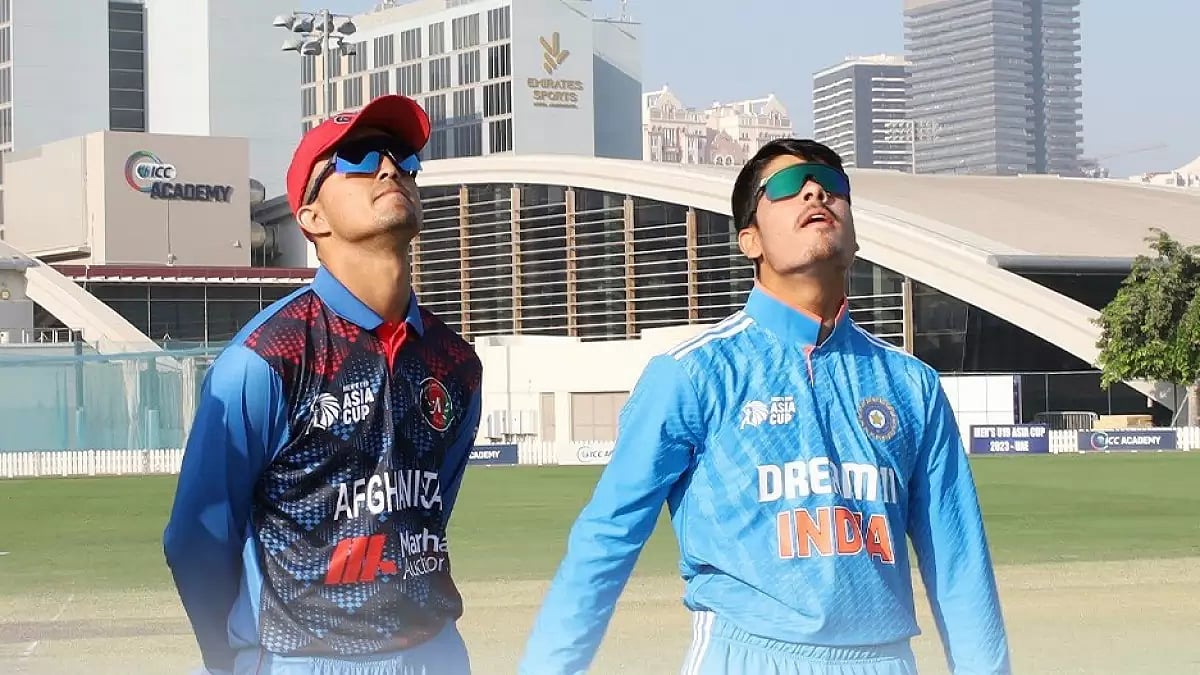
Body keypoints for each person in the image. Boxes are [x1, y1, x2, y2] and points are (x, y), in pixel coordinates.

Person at [519, 138, 1011, 675]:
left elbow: (959, 561)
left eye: (833, 187)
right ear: (748, 239)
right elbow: (606, 540)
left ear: (854, 233)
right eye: (786, 188)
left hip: (884, 659)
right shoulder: (693, 373)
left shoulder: (910, 383)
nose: (815, 192)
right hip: (747, 656)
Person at [163, 94, 483, 675]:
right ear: (312, 217)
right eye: (358, 158)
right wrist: (228, 661)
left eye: (403, 160)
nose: (391, 170)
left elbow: (430, 511)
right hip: (303, 659)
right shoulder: (265, 360)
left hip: (437, 653)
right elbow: (196, 540)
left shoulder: (456, 363)